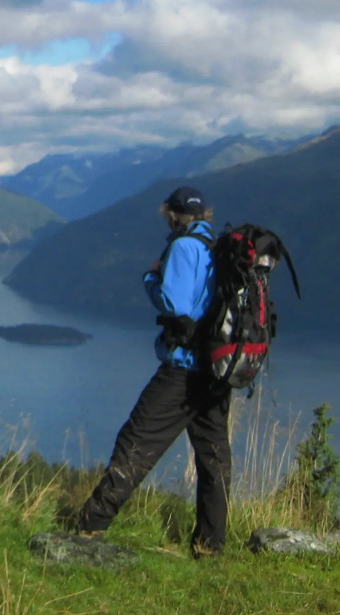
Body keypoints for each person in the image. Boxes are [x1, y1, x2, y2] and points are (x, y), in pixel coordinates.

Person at [76, 185, 232, 555]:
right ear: (204, 214)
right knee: (214, 459)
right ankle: (211, 546)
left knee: (136, 442)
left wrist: (151, 277)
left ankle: (89, 528)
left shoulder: (183, 247)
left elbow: (174, 304)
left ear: (171, 214)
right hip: (216, 371)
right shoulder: (218, 247)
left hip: (183, 370)